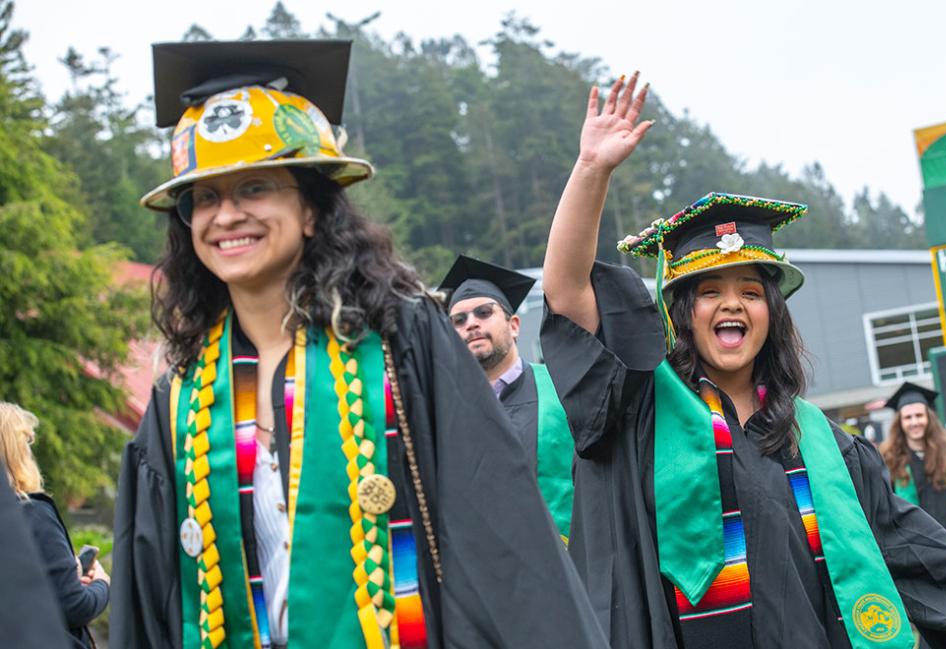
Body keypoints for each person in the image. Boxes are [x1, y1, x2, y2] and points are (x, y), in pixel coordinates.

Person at [110, 40, 605, 649]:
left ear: (313, 209)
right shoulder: (180, 398)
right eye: (203, 198)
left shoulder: (402, 344)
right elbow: (153, 598)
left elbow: (500, 542)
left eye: (255, 187)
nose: (227, 215)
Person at [539, 72, 946, 648]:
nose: (732, 304)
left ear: (773, 312)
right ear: (680, 311)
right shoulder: (640, 415)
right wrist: (592, 171)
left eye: (752, 291)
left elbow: (918, 554)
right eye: (709, 291)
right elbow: (569, 294)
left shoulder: (824, 443)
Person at [439, 256, 575, 539]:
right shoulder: (443, 411)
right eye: (459, 320)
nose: (472, 324)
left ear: (514, 325)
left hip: (571, 563)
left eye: (484, 312)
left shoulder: (561, 386)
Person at [0, 402, 109, 648]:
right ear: (18, 451)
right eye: (27, 442)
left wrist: (66, 577)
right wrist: (102, 584)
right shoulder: (33, 513)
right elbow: (74, 607)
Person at [880, 382, 946, 556]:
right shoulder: (891, 459)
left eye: (919, 415)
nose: (914, 422)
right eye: (908, 417)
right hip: (918, 551)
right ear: (900, 422)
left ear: (929, 417)